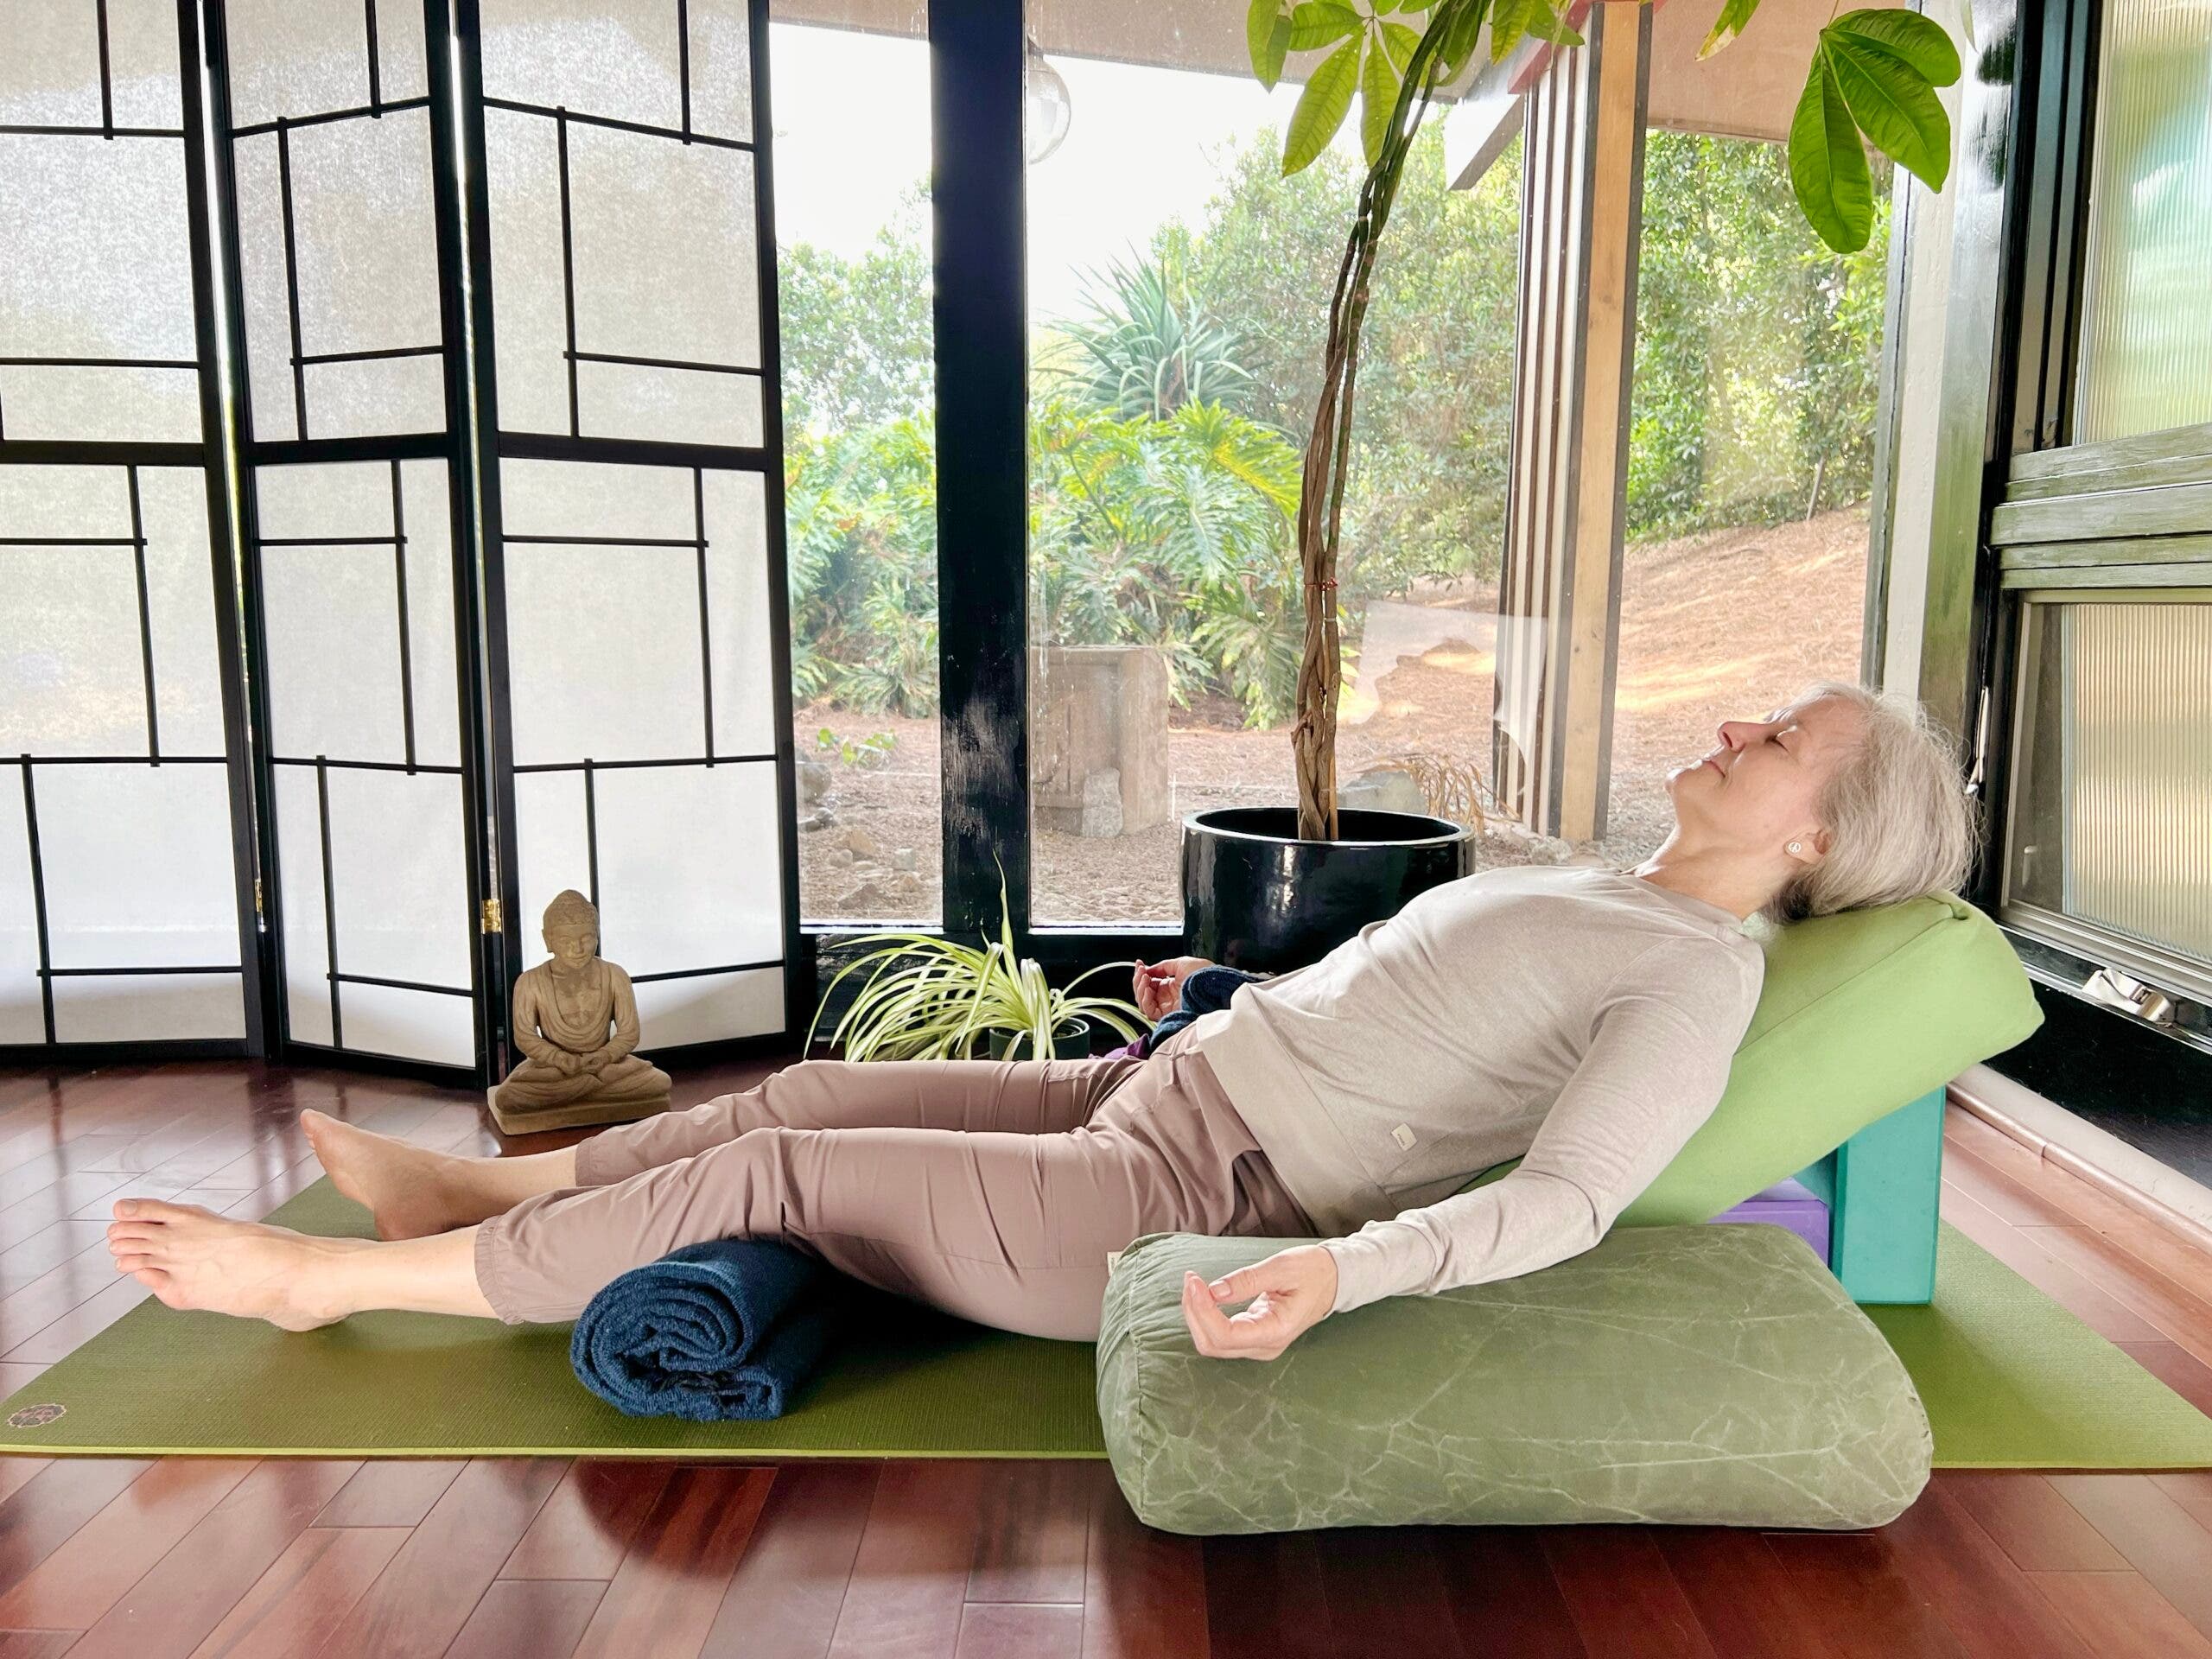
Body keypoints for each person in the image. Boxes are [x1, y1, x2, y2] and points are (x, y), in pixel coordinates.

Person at [106, 680, 1975, 1363]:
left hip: (1201, 1199)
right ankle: (466, 1194)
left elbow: (1569, 1197)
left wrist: (1351, 1277)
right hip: (1160, 1086)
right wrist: (1228, 1003)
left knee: (767, 1166)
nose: (1736, 729)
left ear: (1810, 837)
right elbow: (1408, 1015)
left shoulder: (1687, 971)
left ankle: (333, 1289)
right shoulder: (1611, 889)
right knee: (821, 1076)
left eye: (1777, 744)